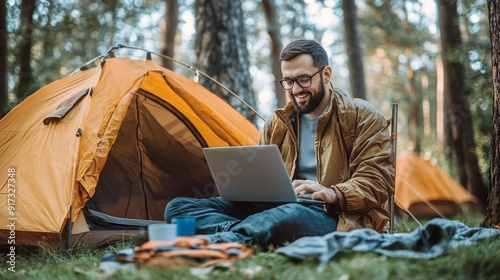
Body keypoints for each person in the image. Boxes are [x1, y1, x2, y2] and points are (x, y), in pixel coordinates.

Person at [165, 39, 395, 248]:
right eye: (288, 81)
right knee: (178, 208)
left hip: (337, 217)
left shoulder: (361, 116)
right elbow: (261, 179)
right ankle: (240, 234)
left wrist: (332, 193)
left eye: (304, 79)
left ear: (326, 74)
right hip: (277, 209)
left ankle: (235, 235)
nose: (295, 90)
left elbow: (378, 181)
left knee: (291, 215)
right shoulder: (278, 123)